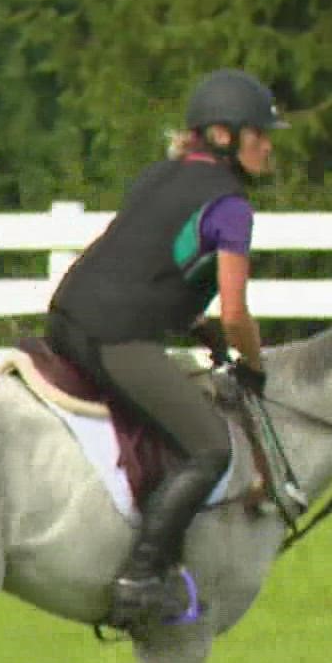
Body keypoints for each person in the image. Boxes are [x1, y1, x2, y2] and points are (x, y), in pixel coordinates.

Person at [45, 68, 286, 629]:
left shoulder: (160, 176)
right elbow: (235, 313)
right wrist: (253, 366)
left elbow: (148, 266)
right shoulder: (231, 207)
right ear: (224, 136)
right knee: (210, 446)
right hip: (115, 336)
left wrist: (192, 325)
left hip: (67, 317)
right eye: (259, 133)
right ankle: (141, 578)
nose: (268, 145)